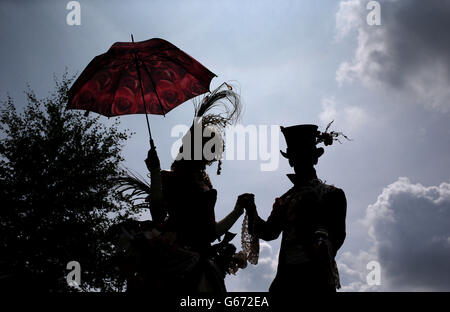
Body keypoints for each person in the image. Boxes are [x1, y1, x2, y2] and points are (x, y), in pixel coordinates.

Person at [114, 83, 252, 292]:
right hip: (175, 258)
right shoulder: (171, 178)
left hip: (201, 259)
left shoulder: (206, 184)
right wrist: (154, 173)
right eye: (210, 150)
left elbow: (210, 231)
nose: (213, 158)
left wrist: (237, 210)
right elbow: (158, 215)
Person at [245, 124, 348, 293]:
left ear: (314, 158)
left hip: (316, 278)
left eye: (304, 155)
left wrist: (321, 244)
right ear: (291, 160)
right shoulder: (285, 200)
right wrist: (251, 209)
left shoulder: (331, 194)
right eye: (295, 156)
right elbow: (269, 232)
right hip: (286, 279)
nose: (299, 161)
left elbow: (338, 235)